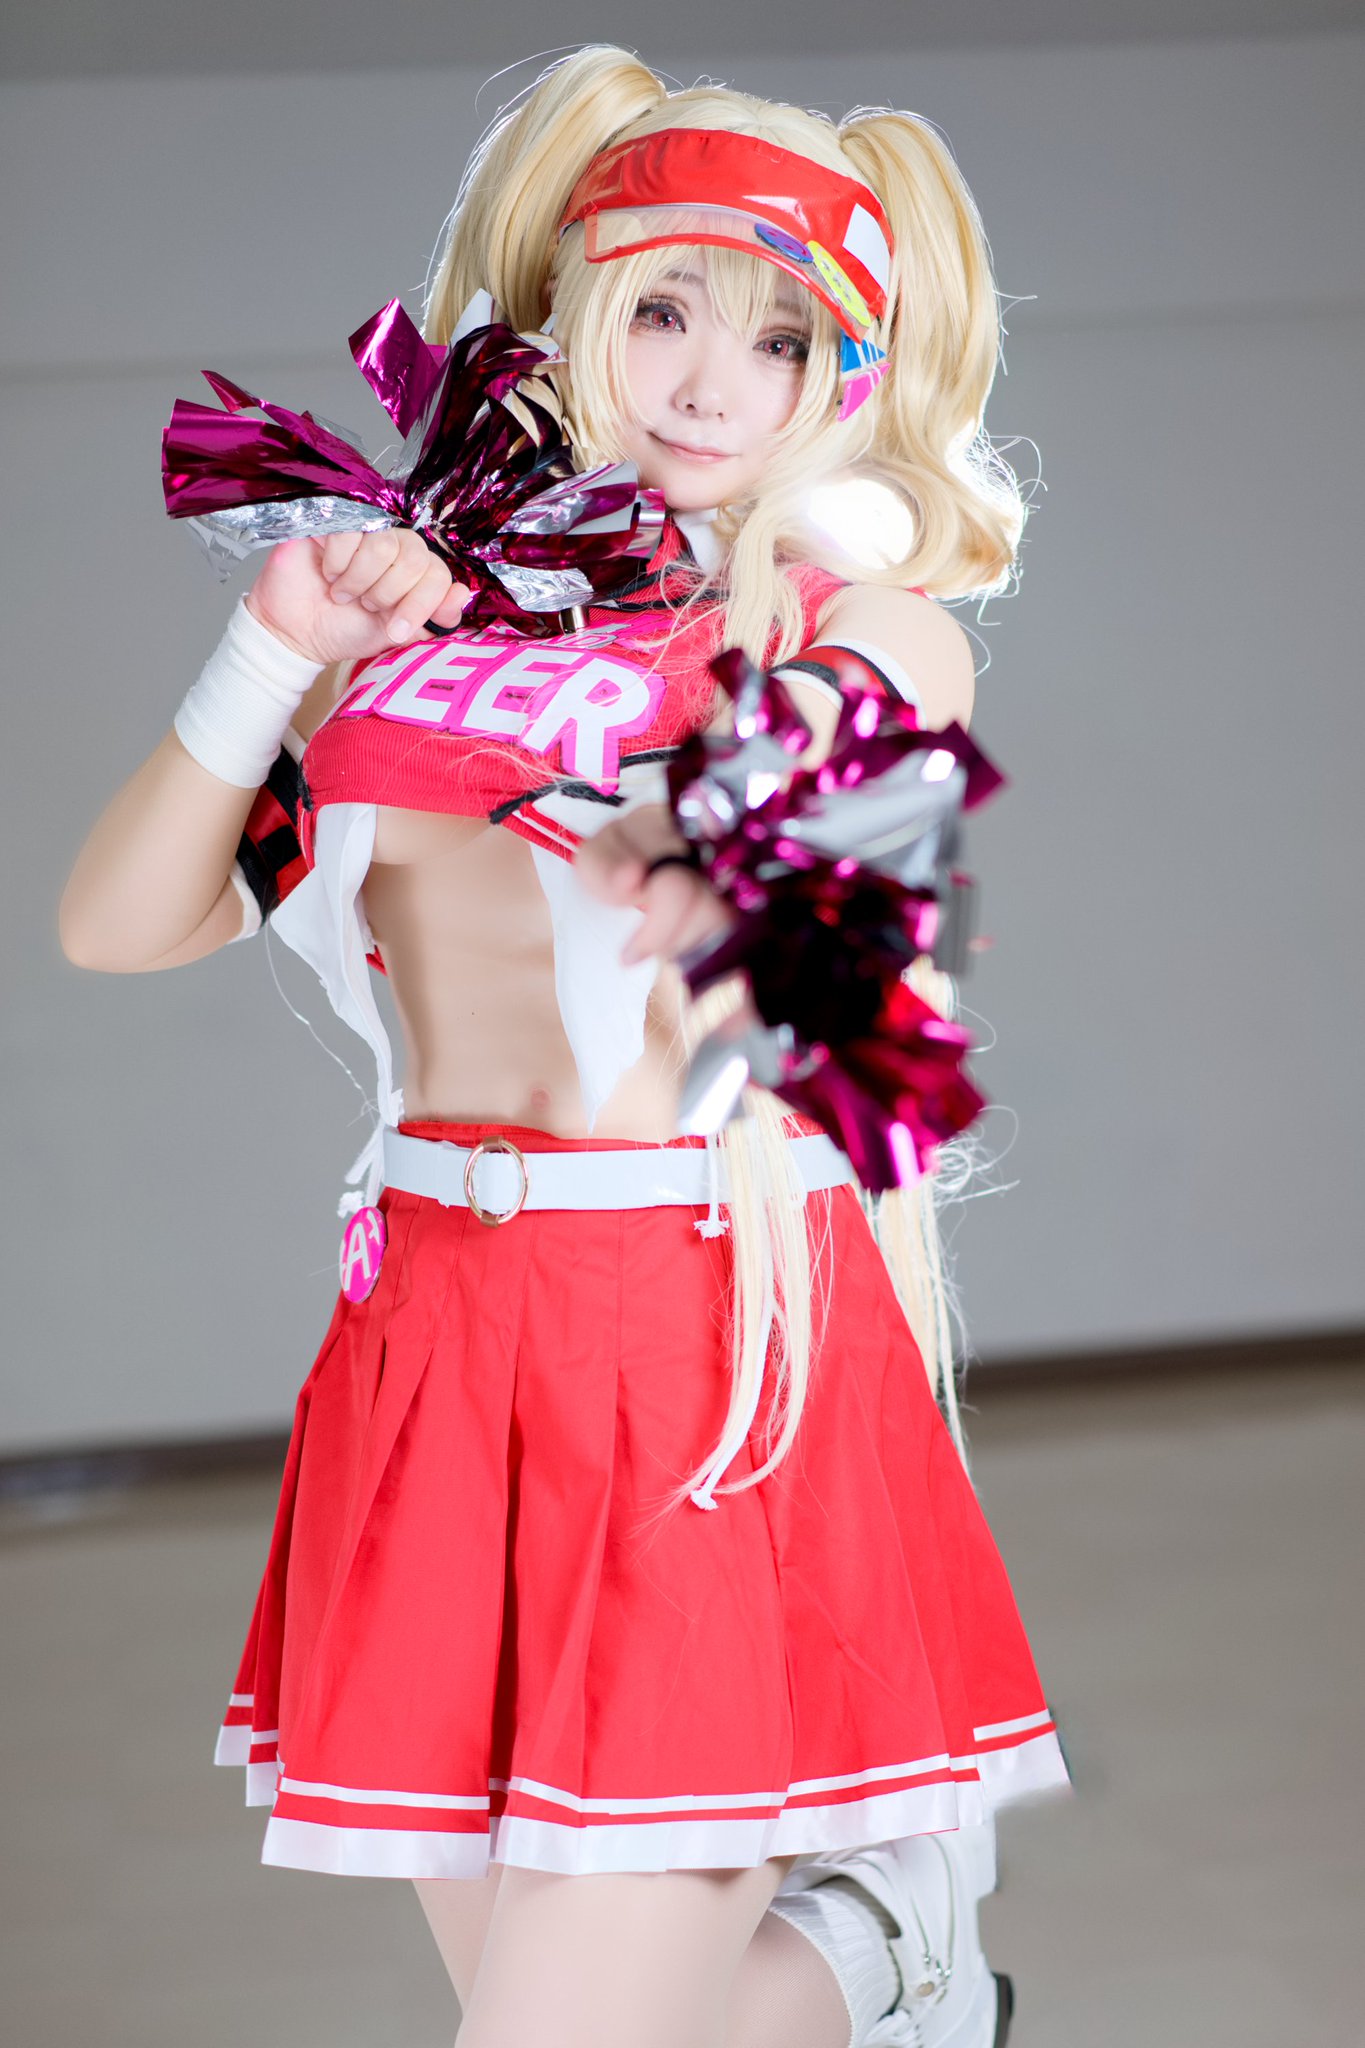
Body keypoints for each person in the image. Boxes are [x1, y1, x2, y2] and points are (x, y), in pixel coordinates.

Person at [59, 45, 1068, 2048]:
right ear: (568, 307)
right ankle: (887, 1959)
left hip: (694, 1342)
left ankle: (883, 1951)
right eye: (666, 309)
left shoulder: (841, 626)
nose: (708, 384)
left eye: (780, 342)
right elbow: (119, 923)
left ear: (838, 388)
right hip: (431, 1343)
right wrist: (279, 643)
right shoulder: (401, 640)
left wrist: (687, 703)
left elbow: (814, 857)